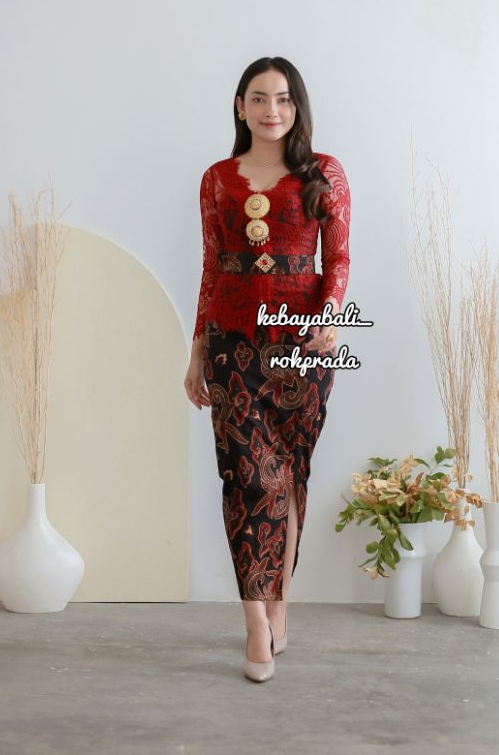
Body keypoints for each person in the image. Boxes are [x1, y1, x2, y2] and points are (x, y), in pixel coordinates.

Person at [184, 56, 351, 682]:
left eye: (282, 99)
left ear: (296, 107)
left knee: (287, 477)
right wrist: (196, 351)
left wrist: (330, 315)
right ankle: (255, 622)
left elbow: (338, 258)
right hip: (231, 344)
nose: (271, 110)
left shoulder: (323, 172)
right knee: (246, 478)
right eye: (258, 98)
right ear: (240, 106)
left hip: (303, 345)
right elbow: (211, 266)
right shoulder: (217, 179)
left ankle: (279, 603)